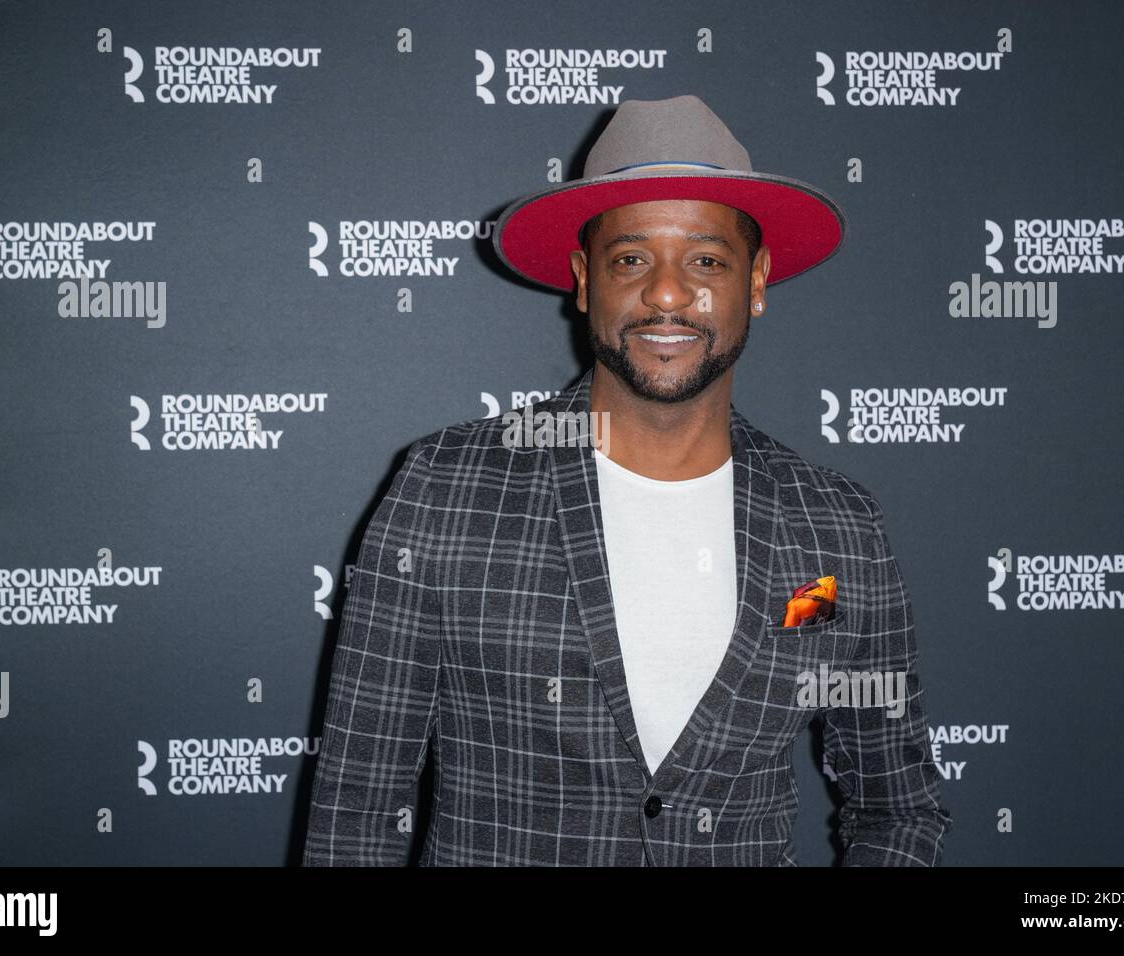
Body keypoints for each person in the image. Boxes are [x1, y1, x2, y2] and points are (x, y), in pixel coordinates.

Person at [304, 94, 952, 866]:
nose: (669, 293)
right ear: (584, 281)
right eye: (632, 258)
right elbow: (357, 810)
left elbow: (897, 810)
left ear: (757, 280)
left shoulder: (836, 528)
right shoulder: (445, 491)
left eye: (707, 261)